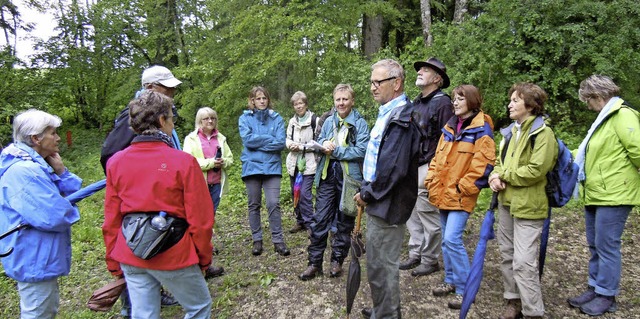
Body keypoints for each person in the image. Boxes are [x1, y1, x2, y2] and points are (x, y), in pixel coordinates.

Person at [103, 91, 214, 319]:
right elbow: (201, 219)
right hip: (174, 254)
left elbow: (112, 218)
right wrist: (203, 258)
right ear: (162, 121)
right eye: (171, 118)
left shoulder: (116, 162)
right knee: (199, 306)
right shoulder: (183, 162)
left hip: (130, 253)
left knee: (144, 314)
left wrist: (114, 261)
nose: (172, 124)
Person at [566, 75, 640, 316]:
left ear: (597, 96)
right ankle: (595, 287)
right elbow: (588, 152)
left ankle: (607, 295)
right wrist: (562, 153)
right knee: (595, 244)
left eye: (587, 100)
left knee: (607, 246)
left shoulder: (622, 115)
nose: (587, 106)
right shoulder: (604, 119)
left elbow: (638, 150)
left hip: (615, 194)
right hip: (596, 192)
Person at [354, 59, 422, 319]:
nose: (372, 87)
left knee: (383, 267)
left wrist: (368, 193)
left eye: (378, 82)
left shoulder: (402, 118)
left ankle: (387, 315)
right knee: (377, 266)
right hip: (380, 200)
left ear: (396, 83)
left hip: (388, 203)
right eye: (371, 82)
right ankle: (382, 309)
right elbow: (377, 159)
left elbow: (392, 169)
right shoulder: (390, 114)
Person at [0, 109, 82, 319]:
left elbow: (73, 196)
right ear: (36, 138)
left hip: (39, 254)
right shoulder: (25, 172)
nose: (58, 138)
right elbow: (56, 216)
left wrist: (62, 173)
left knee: (46, 309)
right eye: (52, 133)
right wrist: (70, 208)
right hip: (34, 257)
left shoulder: (36, 165)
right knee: (37, 312)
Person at [489, 83, 558, 319]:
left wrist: (503, 176)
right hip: (507, 203)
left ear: (530, 105)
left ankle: (533, 312)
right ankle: (513, 301)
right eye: (511, 100)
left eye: (516, 100)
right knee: (507, 255)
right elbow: (499, 163)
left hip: (530, 206)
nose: (510, 104)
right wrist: (493, 177)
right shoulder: (510, 132)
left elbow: (537, 169)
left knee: (524, 262)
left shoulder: (543, 133)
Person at [425, 85, 496, 309]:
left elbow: (483, 165)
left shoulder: (481, 128)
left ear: (472, 101)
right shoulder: (449, 127)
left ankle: (466, 290)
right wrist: (431, 180)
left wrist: (462, 187)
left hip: (460, 194)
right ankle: (451, 281)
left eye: (460, 99)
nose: (455, 103)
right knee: (447, 242)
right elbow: (437, 158)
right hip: (443, 191)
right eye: (454, 99)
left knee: (452, 240)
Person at [298, 84, 369, 280]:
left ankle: (337, 260)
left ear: (352, 101)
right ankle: (314, 263)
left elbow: (362, 150)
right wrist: (324, 145)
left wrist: (336, 151)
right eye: (338, 99)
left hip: (349, 178)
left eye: (345, 99)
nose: (341, 103)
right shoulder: (329, 121)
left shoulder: (360, 124)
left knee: (345, 220)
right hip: (327, 175)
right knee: (320, 219)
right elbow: (319, 140)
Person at [400, 57, 453, 277]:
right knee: (411, 211)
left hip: (430, 165)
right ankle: (416, 252)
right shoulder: (416, 101)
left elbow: (449, 140)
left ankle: (430, 259)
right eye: (420, 69)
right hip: (413, 164)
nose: (420, 72)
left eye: (425, 70)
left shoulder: (443, 103)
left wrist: (436, 169)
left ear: (437, 79)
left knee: (428, 213)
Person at [238, 86, 290, 257]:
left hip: (272, 167)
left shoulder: (276, 119)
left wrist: (259, 141)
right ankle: (257, 240)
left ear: (268, 100)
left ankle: (278, 241)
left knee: (273, 203)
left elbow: (280, 143)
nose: (261, 101)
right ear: (252, 101)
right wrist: (269, 138)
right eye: (258, 98)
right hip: (251, 167)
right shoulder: (244, 119)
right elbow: (248, 141)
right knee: (254, 204)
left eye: (264, 98)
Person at [183, 106, 233, 278]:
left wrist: (222, 162)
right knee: (200, 219)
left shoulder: (221, 138)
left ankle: (206, 248)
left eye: (212, 118)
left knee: (210, 217)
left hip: (216, 184)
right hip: (198, 185)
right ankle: (198, 253)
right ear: (200, 121)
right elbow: (189, 161)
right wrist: (211, 163)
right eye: (206, 119)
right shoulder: (191, 139)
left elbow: (230, 159)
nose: (210, 121)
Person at [285, 91, 319, 233]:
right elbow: (287, 138)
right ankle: (300, 221)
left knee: (305, 193)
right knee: (295, 192)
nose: (298, 106)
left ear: (305, 104)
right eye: (296, 104)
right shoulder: (292, 122)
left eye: (301, 103)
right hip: (294, 163)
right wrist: (290, 145)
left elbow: (318, 142)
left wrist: (301, 147)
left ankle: (311, 223)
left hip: (309, 163)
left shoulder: (314, 121)